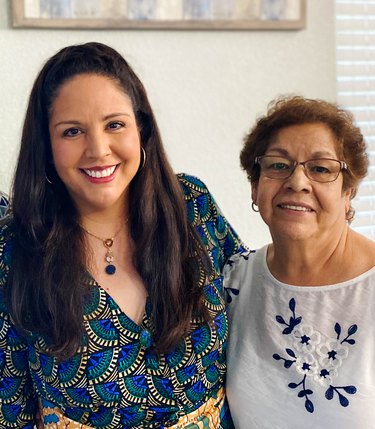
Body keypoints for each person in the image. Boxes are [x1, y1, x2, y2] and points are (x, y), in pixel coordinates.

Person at [0, 42, 243, 429]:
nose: (98, 150)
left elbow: (255, 313)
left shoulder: (192, 207)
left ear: (141, 130)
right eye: (72, 131)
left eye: (115, 124)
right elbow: (10, 406)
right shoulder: (15, 248)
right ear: (46, 147)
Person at [224, 95, 375, 429]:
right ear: (255, 186)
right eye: (278, 165)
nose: (297, 182)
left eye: (320, 169)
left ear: (347, 192)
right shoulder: (232, 285)